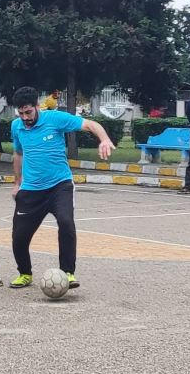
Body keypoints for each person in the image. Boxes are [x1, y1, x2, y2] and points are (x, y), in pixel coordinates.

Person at [7, 86, 115, 289]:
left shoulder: (55, 119)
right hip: (31, 189)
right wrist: (17, 183)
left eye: (28, 112)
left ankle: (68, 273)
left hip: (59, 185)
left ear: (37, 106)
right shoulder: (17, 126)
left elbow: (90, 124)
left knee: (66, 223)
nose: (25, 117)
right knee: (19, 236)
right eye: (21, 113)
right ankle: (25, 273)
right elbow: (18, 154)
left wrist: (105, 139)